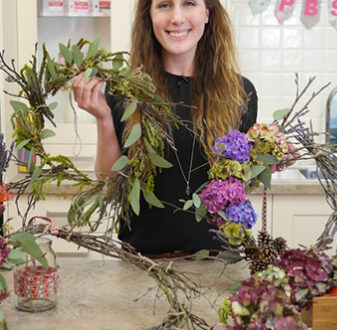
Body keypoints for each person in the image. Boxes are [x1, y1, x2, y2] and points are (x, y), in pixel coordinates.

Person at [71, 0, 258, 257]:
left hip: (219, 263)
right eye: (164, 5)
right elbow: (109, 184)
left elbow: (238, 183)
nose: (177, 18)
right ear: (149, 15)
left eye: (189, 3)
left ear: (207, 12)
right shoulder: (124, 91)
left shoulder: (240, 93)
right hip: (143, 262)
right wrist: (103, 118)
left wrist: (270, 156)